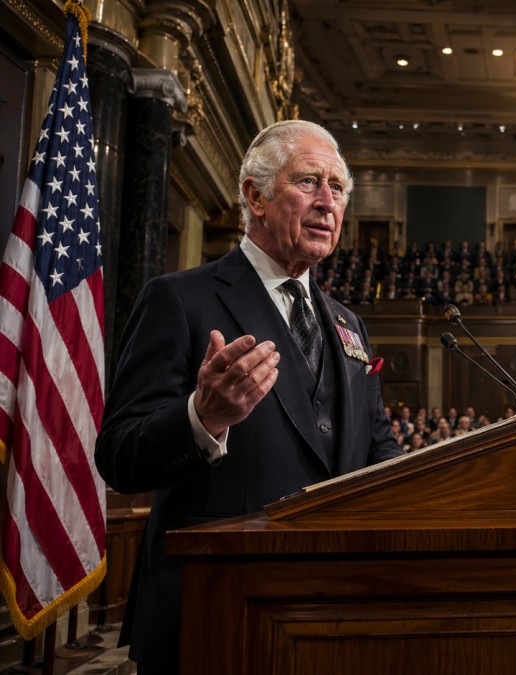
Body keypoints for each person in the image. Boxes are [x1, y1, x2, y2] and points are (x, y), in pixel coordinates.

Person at [95, 120, 403, 674]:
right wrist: (202, 419)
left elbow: (376, 452)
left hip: (328, 610)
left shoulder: (348, 324)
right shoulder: (180, 299)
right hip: (215, 607)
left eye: (337, 188)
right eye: (309, 181)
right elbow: (118, 456)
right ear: (255, 195)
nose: (327, 201)